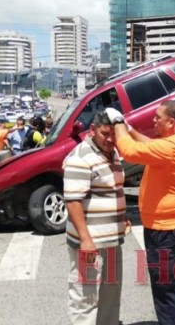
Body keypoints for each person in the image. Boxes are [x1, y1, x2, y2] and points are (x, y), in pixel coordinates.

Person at [106, 100, 175, 325]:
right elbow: (150, 145)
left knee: (167, 293)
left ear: (171, 122)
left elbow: (129, 151)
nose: (154, 120)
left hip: (167, 232)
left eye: (158, 117)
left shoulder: (172, 147)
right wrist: (129, 129)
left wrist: (118, 120)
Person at [63, 111, 129, 325]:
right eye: (104, 134)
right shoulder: (80, 157)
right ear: (92, 131)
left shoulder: (113, 152)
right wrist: (85, 240)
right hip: (90, 243)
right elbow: (73, 201)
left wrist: (122, 217)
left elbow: (114, 189)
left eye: (113, 134)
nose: (110, 139)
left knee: (111, 293)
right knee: (85, 296)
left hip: (111, 241)